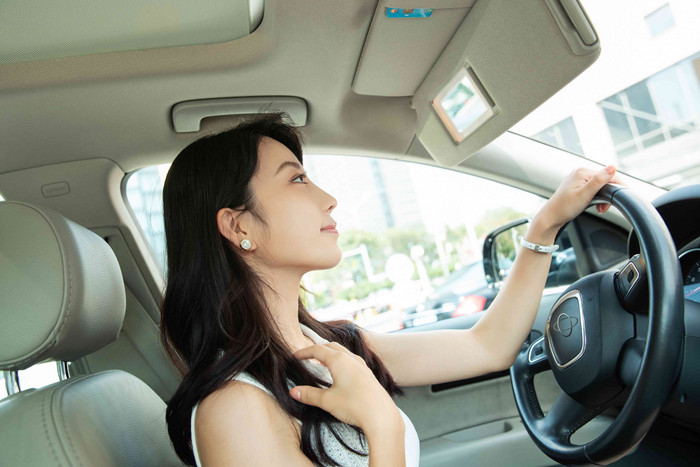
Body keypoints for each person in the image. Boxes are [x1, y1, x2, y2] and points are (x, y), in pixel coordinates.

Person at [159, 111, 622, 466]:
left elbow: (487, 346)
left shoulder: (329, 345)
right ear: (239, 225)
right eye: (297, 179)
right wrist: (379, 422)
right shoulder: (235, 408)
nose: (328, 197)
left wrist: (544, 226)